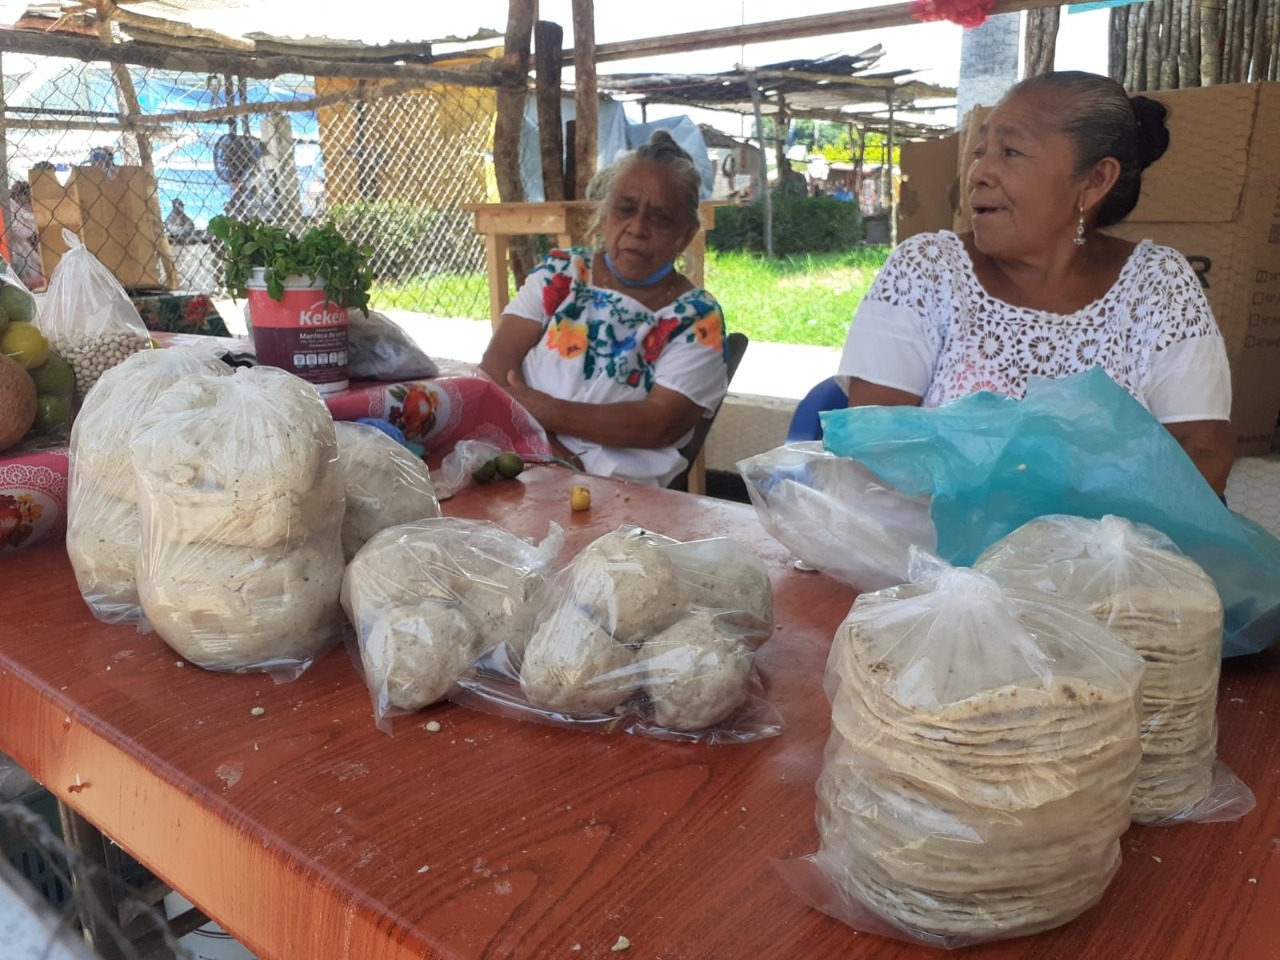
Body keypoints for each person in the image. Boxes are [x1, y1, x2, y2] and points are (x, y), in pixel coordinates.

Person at [838, 71, 1234, 495]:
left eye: (1010, 151)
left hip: (1104, 552)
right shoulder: (928, 269)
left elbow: (1202, 453)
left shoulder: (1157, 284)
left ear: (1095, 179)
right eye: (979, 151)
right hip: (936, 551)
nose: (979, 174)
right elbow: (875, 446)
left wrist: (1081, 540)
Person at [480, 130, 728, 487]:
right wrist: (548, 450)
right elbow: (495, 366)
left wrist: (539, 409)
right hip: (520, 462)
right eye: (625, 210)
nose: (637, 228)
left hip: (619, 496)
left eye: (660, 218)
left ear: (685, 234)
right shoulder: (561, 274)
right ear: (606, 214)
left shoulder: (695, 318)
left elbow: (660, 423)